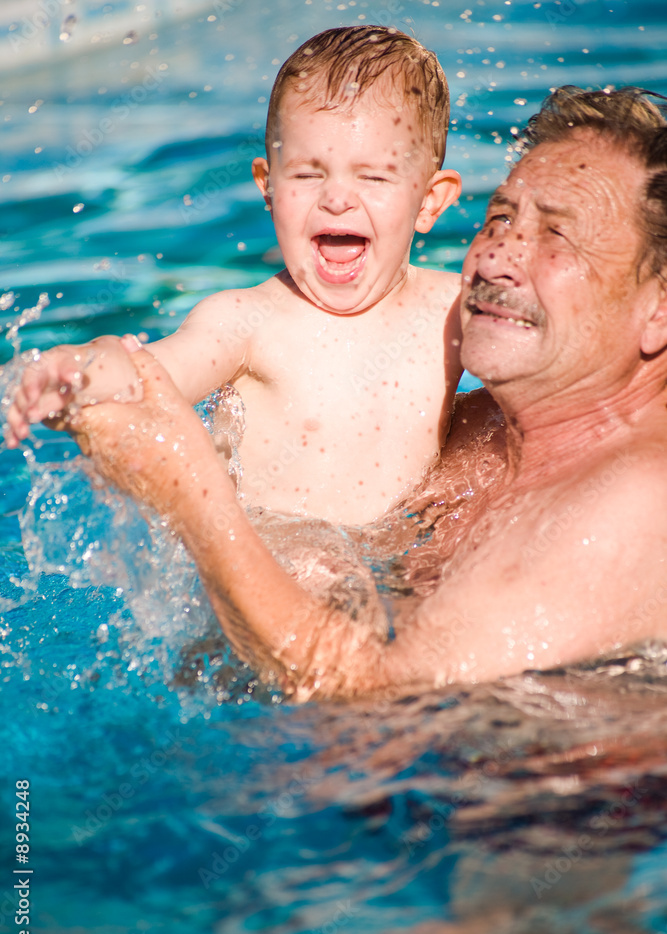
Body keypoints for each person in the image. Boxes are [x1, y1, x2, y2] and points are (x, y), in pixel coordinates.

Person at [65, 85, 667, 700]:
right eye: (501, 220)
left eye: (556, 237)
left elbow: (369, 692)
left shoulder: (637, 501)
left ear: (659, 307)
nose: (494, 261)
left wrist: (188, 489)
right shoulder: (482, 435)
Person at [3, 25, 463, 525]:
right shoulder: (246, 322)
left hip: (403, 564)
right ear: (268, 188)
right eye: (309, 174)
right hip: (277, 563)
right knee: (323, 566)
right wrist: (78, 372)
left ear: (430, 200)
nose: (336, 198)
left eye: (373, 176)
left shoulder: (453, 311)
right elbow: (151, 375)